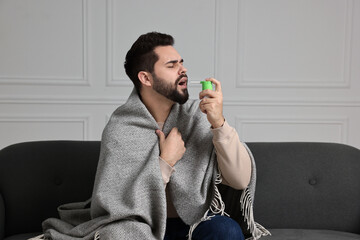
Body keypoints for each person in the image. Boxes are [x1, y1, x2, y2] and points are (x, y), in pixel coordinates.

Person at [40, 32, 269, 240]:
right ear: (146, 78)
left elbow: (239, 180)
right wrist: (166, 162)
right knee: (119, 234)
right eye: (171, 65)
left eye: (182, 63)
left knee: (226, 230)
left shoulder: (196, 116)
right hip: (141, 226)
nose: (183, 69)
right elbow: (120, 206)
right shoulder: (121, 127)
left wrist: (219, 123)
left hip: (193, 225)